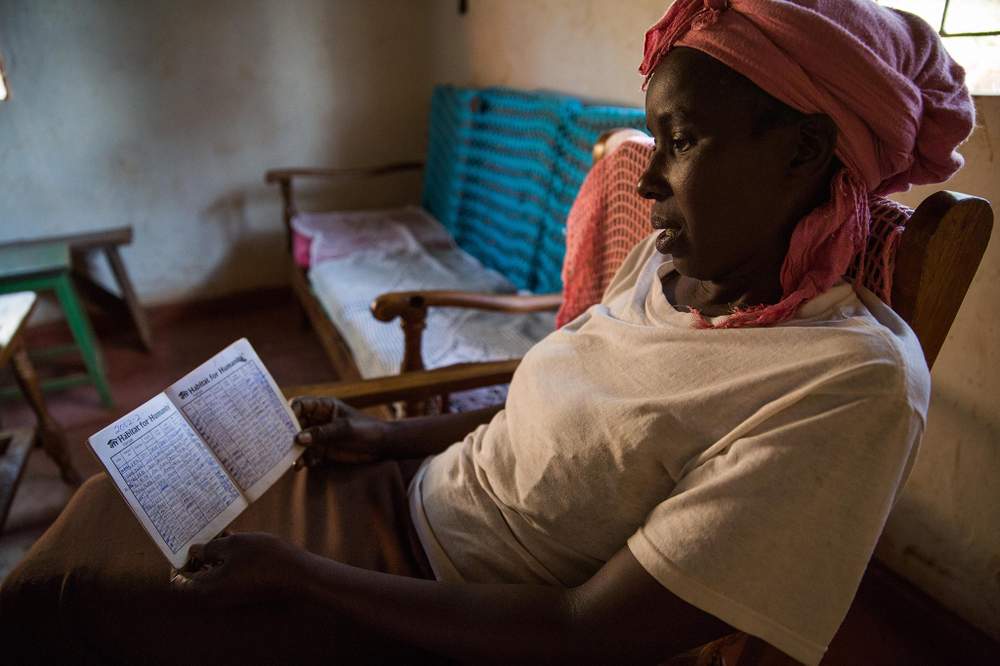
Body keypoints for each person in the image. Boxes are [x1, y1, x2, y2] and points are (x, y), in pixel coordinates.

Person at [0, 1, 975, 664]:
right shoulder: (682, 266)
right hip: (406, 497)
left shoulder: (842, 384)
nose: (644, 184)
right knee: (106, 504)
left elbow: (577, 631)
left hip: (434, 603)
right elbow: (544, 413)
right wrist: (380, 440)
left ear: (806, 152)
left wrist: (305, 579)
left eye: (681, 142)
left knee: (70, 597)